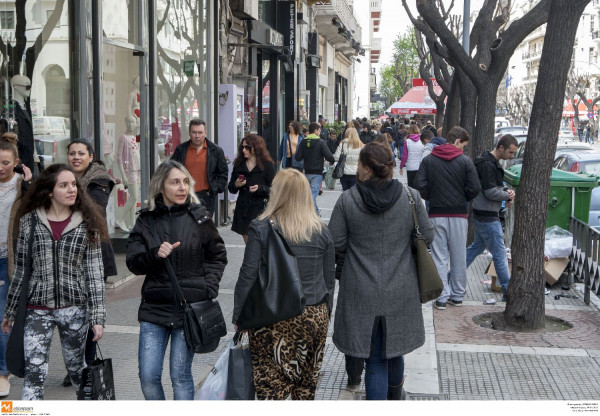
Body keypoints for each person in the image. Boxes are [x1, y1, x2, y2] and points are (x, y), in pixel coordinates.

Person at [329, 142, 434, 400]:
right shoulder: (410, 197)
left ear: (365, 168)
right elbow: (427, 235)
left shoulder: (348, 200)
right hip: (401, 286)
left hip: (359, 288)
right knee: (394, 350)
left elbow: (336, 242)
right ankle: (396, 398)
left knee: (375, 359)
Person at [2, 164, 107, 400]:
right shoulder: (30, 222)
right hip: (37, 309)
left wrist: (98, 318)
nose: (72, 190)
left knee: (77, 371)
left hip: (75, 309)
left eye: (73, 185)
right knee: (34, 375)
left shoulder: (87, 223)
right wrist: (10, 310)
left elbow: (95, 273)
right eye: (64, 185)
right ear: (50, 191)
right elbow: (21, 270)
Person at [126, 160, 227, 400]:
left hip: (188, 310)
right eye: (175, 182)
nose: (182, 188)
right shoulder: (146, 220)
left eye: (185, 182)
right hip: (154, 309)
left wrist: (208, 287)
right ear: (161, 187)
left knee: (180, 375)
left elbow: (218, 255)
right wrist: (155, 255)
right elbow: (133, 262)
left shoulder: (200, 218)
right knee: (148, 376)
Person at [232, 168, 335, 400]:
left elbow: (248, 275)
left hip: (273, 315)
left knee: (271, 388)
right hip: (314, 313)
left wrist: (239, 316)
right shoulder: (321, 230)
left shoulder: (260, 227)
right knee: (306, 386)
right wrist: (326, 313)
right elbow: (329, 280)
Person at [64, 138, 117, 385]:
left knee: (90, 314)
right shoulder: (64, 178)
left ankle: (85, 366)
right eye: (72, 153)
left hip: (95, 253)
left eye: (80, 153)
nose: (76, 157)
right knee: (73, 315)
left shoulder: (100, 180)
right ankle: (77, 365)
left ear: (90, 156)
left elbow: (94, 208)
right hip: (68, 255)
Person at [413, 127, 481, 310]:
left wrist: (432, 196)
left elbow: (419, 185)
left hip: (436, 214)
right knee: (459, 255)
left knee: (439, 256)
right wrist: (463, 197)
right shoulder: (465, 162)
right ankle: (457, 296)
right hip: (459, 214)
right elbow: (475, 187)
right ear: (457, 141)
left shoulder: (429, 160)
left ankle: (441, 297)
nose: (463, 150)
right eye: (463, 146)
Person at [466, 134, 518, 301]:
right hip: (488, 216)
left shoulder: (486, 161)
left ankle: (452, 276)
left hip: (481, 213)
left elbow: (493, 185)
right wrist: (506, 195)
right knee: (500, 254)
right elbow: (489, 192)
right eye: (510, 152)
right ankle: (508, 291)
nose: (512, 156)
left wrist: (505, 190)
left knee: (476, 248)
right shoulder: (488, 164)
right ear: (501, 148)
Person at [0, 133, 32, 397]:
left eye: (5, 162)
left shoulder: (24, 187)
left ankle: (2, 372)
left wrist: (31, 183)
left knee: (3, 315)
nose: (0, 166)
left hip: (8, 260)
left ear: (16, 162)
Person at [170, 119, 228, 217]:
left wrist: (215, 189)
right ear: (189, 133)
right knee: (185, 229)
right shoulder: (181, 149)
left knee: (203, 229)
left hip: (206, 197)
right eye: (194, 132)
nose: (197, 136)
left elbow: (223, 173)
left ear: (205, 133)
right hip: (185, 195)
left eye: (200, 132)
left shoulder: (216, 151)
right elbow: (170, 170)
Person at [228, 134, 276, 244]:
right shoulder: (239, 164)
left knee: (258, 244)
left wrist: (260, 188)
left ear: (256, 148)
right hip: (243, 208)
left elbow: (275, 190)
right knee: (249, 244)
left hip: (260, 209)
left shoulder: (267, 165)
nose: (244, 150)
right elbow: (231, 189)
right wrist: (236, 184)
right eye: (243, 147)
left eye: (247, 147)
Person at [295, 122, 335, 214]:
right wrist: (332, 161)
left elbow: (297, 157)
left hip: (307, 171)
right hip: (317, 172)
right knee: (312, 194)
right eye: (319, 130)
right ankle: (311, 214)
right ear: (316, 130)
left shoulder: (304, 141)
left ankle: (316, 213)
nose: (320, 132)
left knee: (309, 194)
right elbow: (328, 155)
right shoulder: (320, 142)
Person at [400, 123, 424, 188]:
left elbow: (404, 156)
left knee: (411, 186)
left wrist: (401, 166)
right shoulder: (422, 140)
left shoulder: (407, 141)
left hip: (410, 167)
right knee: (419, 186)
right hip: (420, 166)